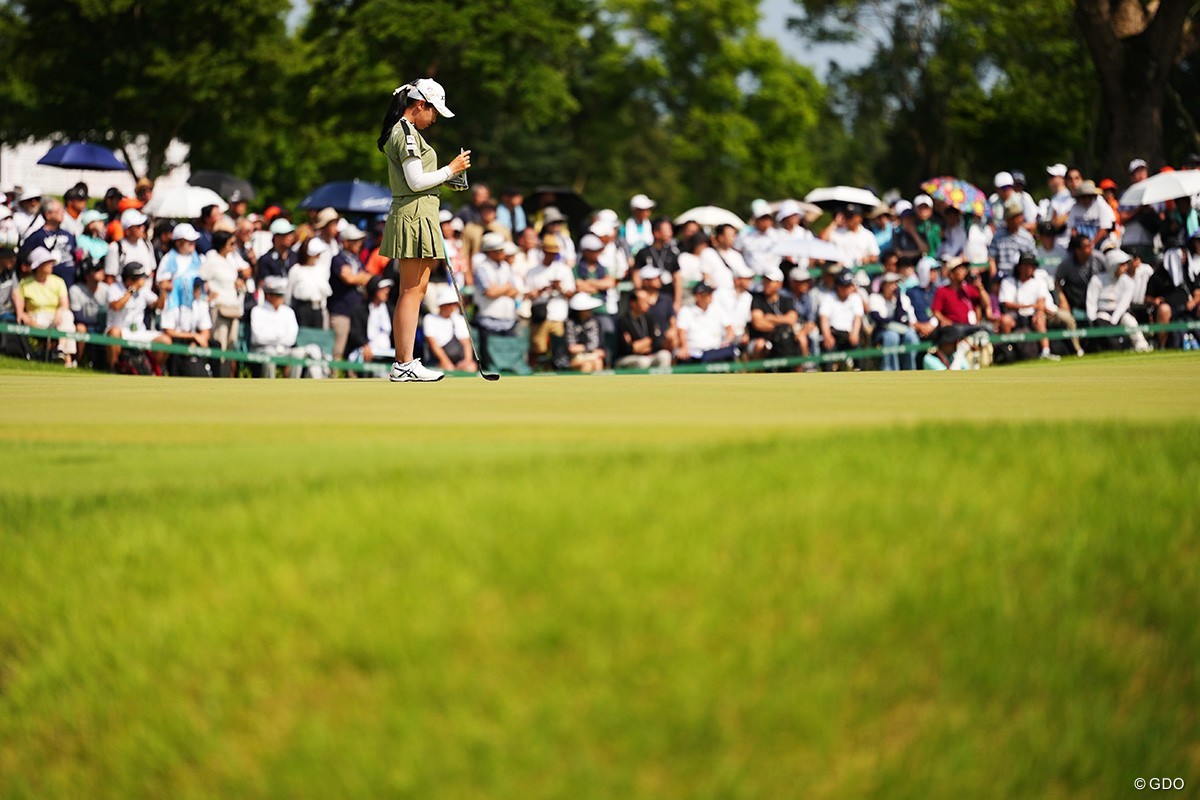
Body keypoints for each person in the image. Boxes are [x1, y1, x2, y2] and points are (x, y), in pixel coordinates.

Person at [376, 78, 471, 382]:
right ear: (420, 105)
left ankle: (404, 363)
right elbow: (416, 182)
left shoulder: (409, 132)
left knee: (415, 291)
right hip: (414, 215)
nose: (434, 120)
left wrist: (449, 178)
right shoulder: (405, 133)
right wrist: (450, 169)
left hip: (421, 213)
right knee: (411, 292)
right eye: (434, 113)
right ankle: (404, 364)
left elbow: (419, 179)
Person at [12, 247, 76, 367]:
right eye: (47, 263)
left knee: (67, 315)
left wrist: (59, 312)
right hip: (36, 318)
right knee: (63, 321)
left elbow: (64, 305)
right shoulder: (25, 283)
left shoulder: (58, 281)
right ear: (39, 266)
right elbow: (20, 309)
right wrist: (23, 315)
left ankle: (62, 350)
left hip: (56, 318)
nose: (51, 265)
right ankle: (66, 358)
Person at [105, 261, 169, 372]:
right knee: (114, 333)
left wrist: (163, 292)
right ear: (130, 279)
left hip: (139, 332)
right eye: (140, 278)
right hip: (120, 331)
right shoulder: (114, 288)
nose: (143, 281)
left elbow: (159, 307)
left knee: (165, 340)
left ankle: (153, 371)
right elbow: (116, 306)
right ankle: (113, 369)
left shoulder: (144, 291)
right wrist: (132, 290)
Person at [200, 230, 248, 374]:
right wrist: (207, 295)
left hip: (233, 307)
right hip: (219, 308)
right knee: (219, 345)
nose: (234, 247)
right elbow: (201, 280)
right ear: (222, 245)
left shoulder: (231, 259)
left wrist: (237, 283)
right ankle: (217, 376)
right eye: (231, 244)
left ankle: (227, 377)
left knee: (231, 346)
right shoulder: (212, 260)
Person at [525, 236, 577, 366]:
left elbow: (571, 293)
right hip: (540, 315)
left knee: (558, 348)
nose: (552, 256)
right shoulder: (533, 271)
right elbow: (527, 294)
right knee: (538, 348)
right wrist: (542, 290)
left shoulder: (564, 269)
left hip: (558, 315)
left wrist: (559, 287)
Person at [999, 254, 1062, 361]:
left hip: (1032, 315)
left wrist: (1038, 311)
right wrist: (1028, 306)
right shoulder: (1008, 282)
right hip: (1015, 316)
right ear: (1019, 267)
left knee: (1040, 318)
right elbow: (1007, 304)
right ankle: (1009, 352)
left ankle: (1045, 352)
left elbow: (1041, 302)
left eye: (1032, 266)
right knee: (1005, 320)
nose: (1030, 268)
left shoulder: (1038, 282)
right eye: (1026, 265)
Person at [1087, 249, 1151, 352]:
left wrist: (1114, 321)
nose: (1125, 268)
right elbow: (1091, 303)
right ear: (1114, 265)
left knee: (1130, 321)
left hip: (1120, 314)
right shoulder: (1097, 280)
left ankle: (1142, 346)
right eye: (1122, 265)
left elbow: (1123, 304)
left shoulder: (1128, 282)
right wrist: (1092, 321)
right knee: (1101, 321)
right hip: (1102, 313)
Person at [250, 275, 308, 378]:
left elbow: (291, 338)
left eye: (281, 295)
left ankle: (292, 387)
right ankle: (270, 386)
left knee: (298, 353)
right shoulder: (257, 311)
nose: (281, 298)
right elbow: (258, 337)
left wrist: (274, 338)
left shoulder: (288, 312)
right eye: (277, 295)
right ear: (268, 295)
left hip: (284, 349)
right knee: (269, 352)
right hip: (263, 349)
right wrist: (279, 337)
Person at [329, 225, 372, 361]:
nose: (359, 243)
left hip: (356, 314)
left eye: (360, 240)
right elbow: (349, 278)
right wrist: (360, 277)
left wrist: (358, 277)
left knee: (354, 352)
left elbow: (368, 278)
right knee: (337, 351)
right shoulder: (338, 258)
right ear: (345, 242)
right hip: (341, 312)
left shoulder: (357, 260)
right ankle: (332, 378)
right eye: (355, 240)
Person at [868, 273, 920, 370]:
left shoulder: (903, 298)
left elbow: (901, 317)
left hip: (900, 330)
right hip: (882, 332)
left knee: (911, 336)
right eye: (891, 284)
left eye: (896, 284)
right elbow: (877, 319)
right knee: (892, 336)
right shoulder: (875, 298)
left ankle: (910, 369)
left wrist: (898, 299)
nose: (894, 287)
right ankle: (890, 370)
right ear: (883, 285)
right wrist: (892, 322)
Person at [748, 265, 801, 360]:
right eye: (765, 280)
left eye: (770, 281)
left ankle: (803, 370)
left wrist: (769, 318)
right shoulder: (758, 299)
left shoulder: (787, 300)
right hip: (764, 338)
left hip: (784, 337)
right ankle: (758, 373)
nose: (766, 283)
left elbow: (792, 319)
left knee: (801, 339)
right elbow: (758, 323)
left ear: (779, 284)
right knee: (760, 344)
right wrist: (781, 324)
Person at [421, 282, 476, 372]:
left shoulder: (459, 319)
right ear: (442, 305)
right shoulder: (430, 319)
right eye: (449, 304)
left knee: (470, 367)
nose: (453, 307)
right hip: (437, 360)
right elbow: (433, 344)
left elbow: (466, 343)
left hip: (457, 360)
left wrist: (467, 361)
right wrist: (446, 362)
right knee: (448, 368)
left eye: (454, 304)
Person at [677, 282, 738, 363]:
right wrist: (684, 347)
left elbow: (729, 329)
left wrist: (727, 341)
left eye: (711, 293)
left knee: (731, 350)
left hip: (716, 349)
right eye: (707, 294)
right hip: (694, 352)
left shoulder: (717, 309)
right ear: (698, 296)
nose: (710, 296)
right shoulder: (686, 311)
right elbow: (681, 331)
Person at [818, 269, 865, 369]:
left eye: (850, 285)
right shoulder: (828, 297)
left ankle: (859, 373)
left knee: (858, 349)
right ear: (839, 287)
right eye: (847, 286)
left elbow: (858, 317)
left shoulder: (855, 298)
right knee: (827, 348)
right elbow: (824, 318)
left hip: (849, 334)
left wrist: (855, 333)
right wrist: (827, 335)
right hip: (833, 334)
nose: (850, 288)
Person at [616, 287, 672, 369]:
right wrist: (647, 342)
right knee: (643, 361)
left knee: (664, 355)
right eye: (644, 301)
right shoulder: (624, 321)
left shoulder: (649, 318)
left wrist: (641, 345)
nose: (648, 303)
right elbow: (628, 348)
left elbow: (656, 341)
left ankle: (661, 382)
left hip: (648, 355)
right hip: (627, 358)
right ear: (633, 303)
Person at [286, 237, 332, 329]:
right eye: (316, 254)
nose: (318, 256)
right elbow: (288, 294)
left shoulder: (321, 269)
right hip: (302, 309)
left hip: (318, 309)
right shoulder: (296, 269)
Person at [1055, 234, 1106, 315]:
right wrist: (1062, 299)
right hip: (1075, 296)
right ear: (1077, 250)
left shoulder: (1099, 259)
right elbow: (1057, 281)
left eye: (1090, 244)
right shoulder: (1067, 263)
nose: (1091, 248)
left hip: (1097, 294)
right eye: (1087, 246)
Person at [988, 198, 1037, 278]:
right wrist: (994, 278)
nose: (1015, 220)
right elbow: (992, 258)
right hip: (1003, 276)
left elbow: (1033, 258)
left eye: (1017, 217)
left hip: (1022, 277)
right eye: (1012, 218)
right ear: (1007, 219)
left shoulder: (1027, 237)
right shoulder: (998, 236)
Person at [105, 209, 156, 284]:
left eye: (143, 225)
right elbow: (110, 278)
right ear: (127, 230)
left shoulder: (147, 244)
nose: (143, 228)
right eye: (138, 226)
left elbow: (151, 270)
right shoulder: (115, 247)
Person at [562, 293, 606, 372]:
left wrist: (583, 348)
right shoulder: (570, 323)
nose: (590, 311)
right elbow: (571, 348)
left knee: (598, 362)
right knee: (588, 364)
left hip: (592, 355)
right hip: (572, 358)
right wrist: (588, 348)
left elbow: (599, 348)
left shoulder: (595, 322)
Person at [1067, 180, 1116, 249]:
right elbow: (1072, 228)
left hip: (1101, 240)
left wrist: (1091, 244)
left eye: (1089, 196)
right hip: (1081, 242)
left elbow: (1105, 228)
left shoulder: (1100, 204)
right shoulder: (1075, 207)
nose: (1086, 199)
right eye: (1083, 197)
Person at [1039, 163, 1075, 249]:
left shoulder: (1069, 198)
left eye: (1052, 176)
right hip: (1053, 244)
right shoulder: (1054, 197)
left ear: (1062, 179)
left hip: (1064, 244)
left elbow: (1058, 222)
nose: (1049, 179)